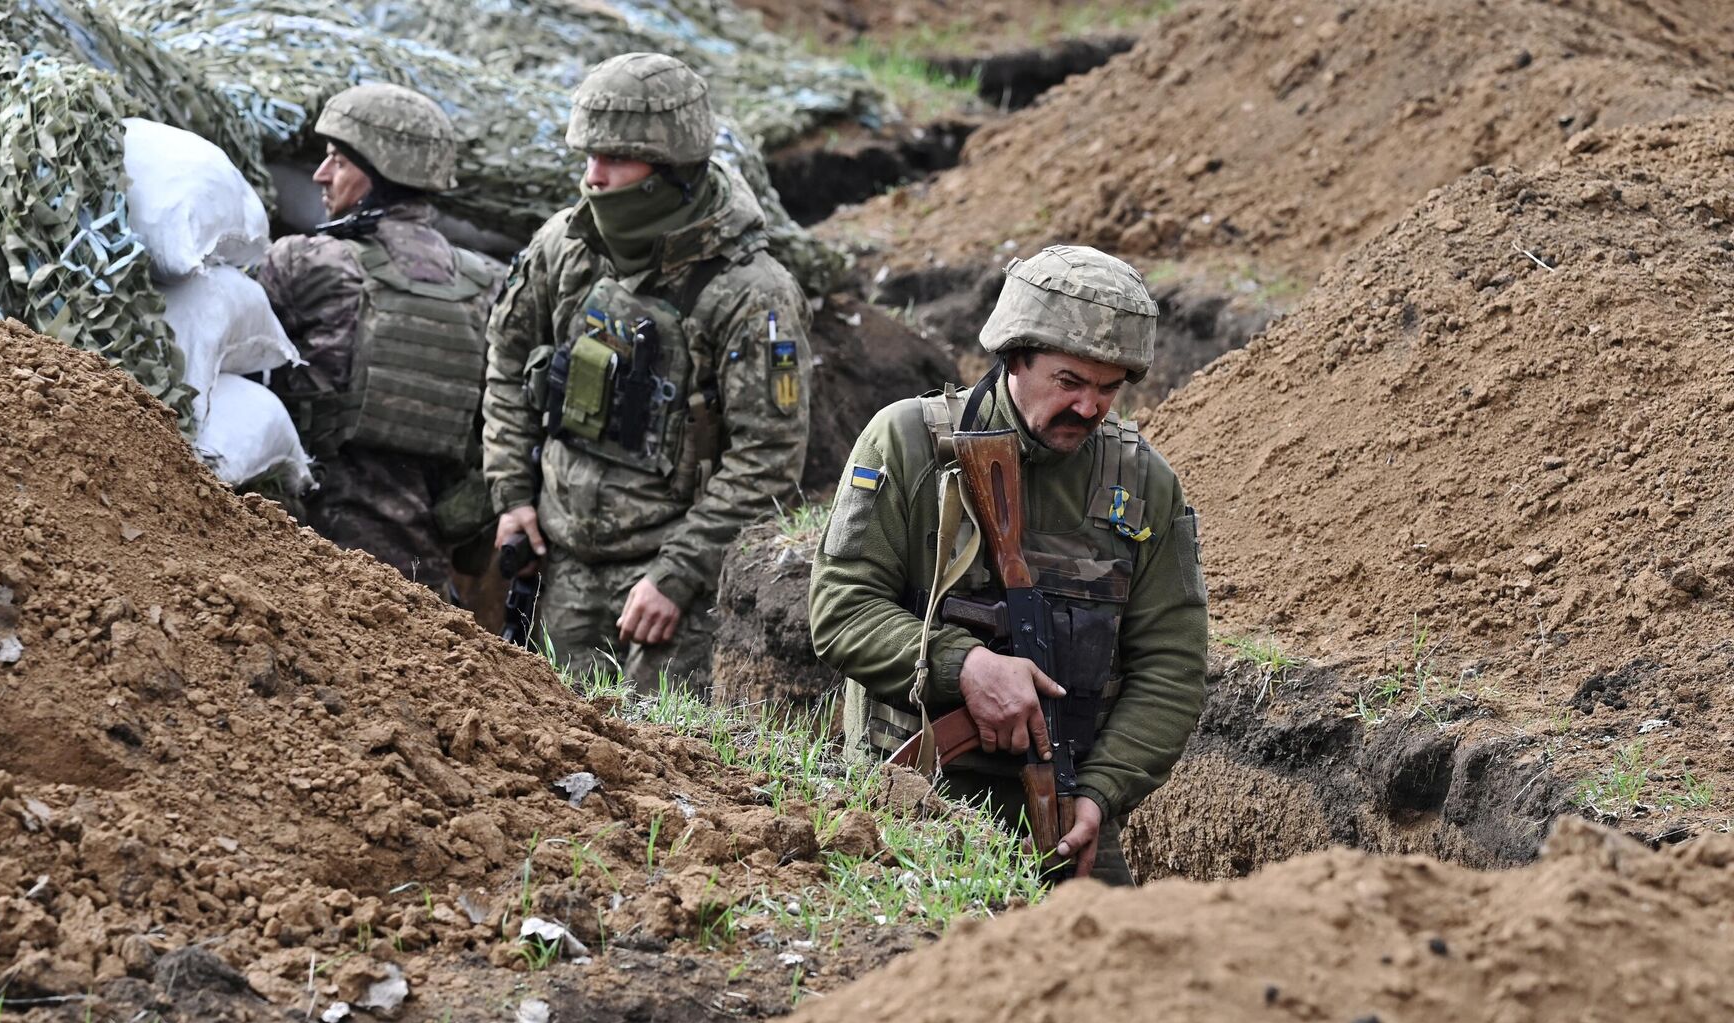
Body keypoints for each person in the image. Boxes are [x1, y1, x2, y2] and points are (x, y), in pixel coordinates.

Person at [809, 245, 1207, 885]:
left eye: (1109, 389)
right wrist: (962, 665)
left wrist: (1101, 795)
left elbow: (1172, 666)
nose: (1090, 408)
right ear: (1012, 358)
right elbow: (840, 609)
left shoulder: (1145, 485)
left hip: (1069, 817)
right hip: (911, 804)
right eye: (1069, 382)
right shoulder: (909, 444)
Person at [481, 52, 811, 688]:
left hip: (675, 586)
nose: (593, 177)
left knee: (658, 766)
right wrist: (512, 497)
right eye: (587, 157)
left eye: (613, 160)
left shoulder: (750, 293)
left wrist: (677, 574)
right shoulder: (564, 246)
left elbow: (768, 456)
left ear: (669, 172)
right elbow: (505, 362)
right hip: (560, 566)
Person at [258, 82, 498, 602]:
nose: (321, 175)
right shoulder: (488, 285)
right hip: (423, 582)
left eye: (338, 161)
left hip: (308, 555)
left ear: (380, 174)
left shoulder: (309, 262)